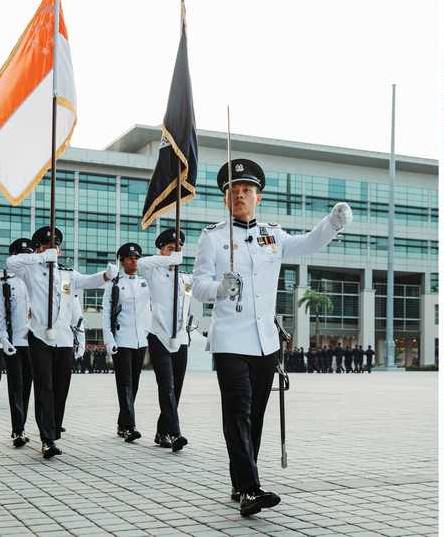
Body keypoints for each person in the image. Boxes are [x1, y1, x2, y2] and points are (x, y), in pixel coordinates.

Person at [194, 157, 352, 516]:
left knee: (256, 414)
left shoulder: (273, 235)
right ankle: (251, 488)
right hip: (229, 339)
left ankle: (240, 482)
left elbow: (307, 244)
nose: (240, 195)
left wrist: (332, 224)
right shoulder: (213, 238)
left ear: (258, 197)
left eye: (247, 190)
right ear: (225, 198)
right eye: (233, 191)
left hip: (265, 339)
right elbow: (198, 285)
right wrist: (219, 287)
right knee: (238, 411)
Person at [6, 226, 112, 459]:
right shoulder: (30, 269)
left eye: (55, 246)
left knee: (61, 389)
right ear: (38, 248)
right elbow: (10, 263)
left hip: (63, 339)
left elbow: (87, 281)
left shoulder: (67, 274)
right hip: (40, 337)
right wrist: (41, 256)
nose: (52, 249)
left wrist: (105, 275)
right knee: (44, 387)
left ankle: (53, 430)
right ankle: (47, 439)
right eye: (46, 245)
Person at [135, 228, 192, 451]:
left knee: (176, 388)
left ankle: (162, 432)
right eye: (170, 248)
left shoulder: (186, 278)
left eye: (178, 249)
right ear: (161, 249)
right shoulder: (154, 272)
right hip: (159, 335)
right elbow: (141, 264)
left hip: (181, 338)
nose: (175, 252)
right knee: (166, 386)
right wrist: (165, 259)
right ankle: (175, 433)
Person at [101, 242, 157, 445]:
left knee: (134, 384)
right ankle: (130, 427)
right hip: (121, 340)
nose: (135, 261)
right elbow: (106, 314)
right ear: (122, 261)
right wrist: (109, 341)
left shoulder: (145, 282)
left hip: (140, 341)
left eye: (136, 258)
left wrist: (148, 333)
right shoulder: (114, 284)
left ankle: (121, 423)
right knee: (124, 384)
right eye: (131, 258)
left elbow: (150, 310)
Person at [0, 239, 34, 448]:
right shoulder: (5, 283)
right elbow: (1, 316)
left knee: (30, 386)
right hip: (15, 342)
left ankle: (27, 424)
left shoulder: (38, 279)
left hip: (36, 343)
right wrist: (3, 338)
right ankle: (18, 429)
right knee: (16, 386)